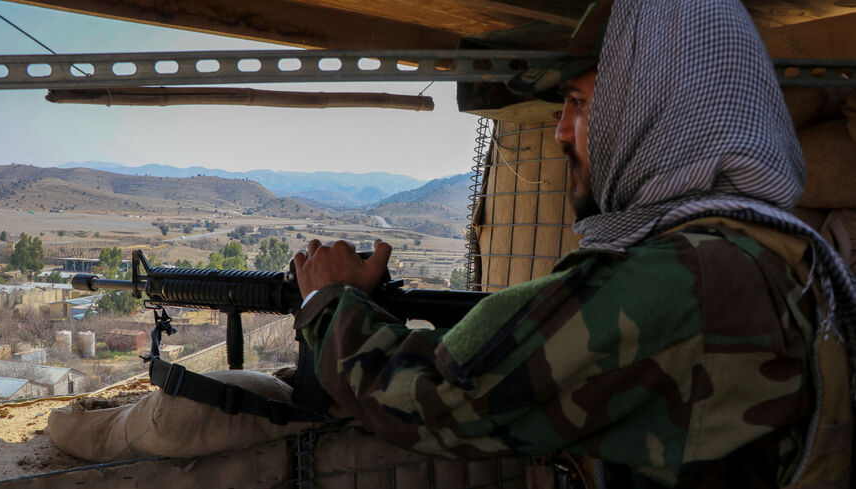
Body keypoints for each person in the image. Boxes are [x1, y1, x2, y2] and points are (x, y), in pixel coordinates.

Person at [292, 0, 856, 487]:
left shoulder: (687, 278)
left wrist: (331, 304)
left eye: (582, 104)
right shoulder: (769, 249)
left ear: (660, 112)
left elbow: (443, 402)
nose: (562, 130)